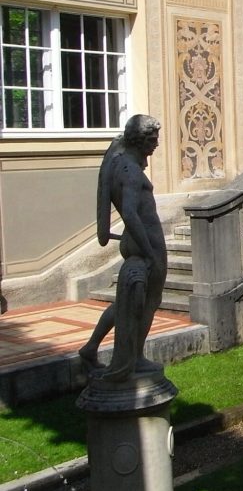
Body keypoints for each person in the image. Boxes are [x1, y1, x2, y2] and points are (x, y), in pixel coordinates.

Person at [79, 115, 167, 381]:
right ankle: (135, 358)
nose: (156, 145)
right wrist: (150, 252)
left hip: (140, 241)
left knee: (126, 304)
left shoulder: (119, 162)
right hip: (146, 243)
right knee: (148, 302)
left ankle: (91, 346)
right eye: (152, 140)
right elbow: (129, 213)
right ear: (139, 140)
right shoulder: (129, 171)